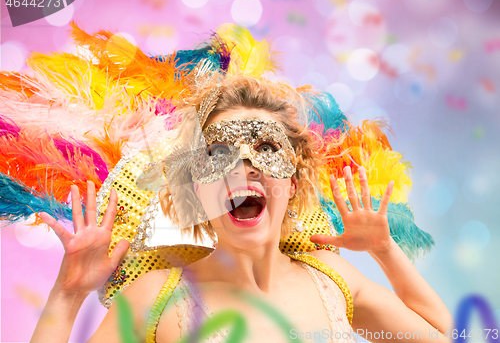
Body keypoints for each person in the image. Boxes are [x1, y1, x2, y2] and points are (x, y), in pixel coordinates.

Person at [29, 74, 454, 343]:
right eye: (218, 153)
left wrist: (385, 251)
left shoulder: (331, 275)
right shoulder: (154, 296)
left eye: (266, 148)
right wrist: (66, 296)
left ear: (292, 181)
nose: (243, 166)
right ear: (196, 191)